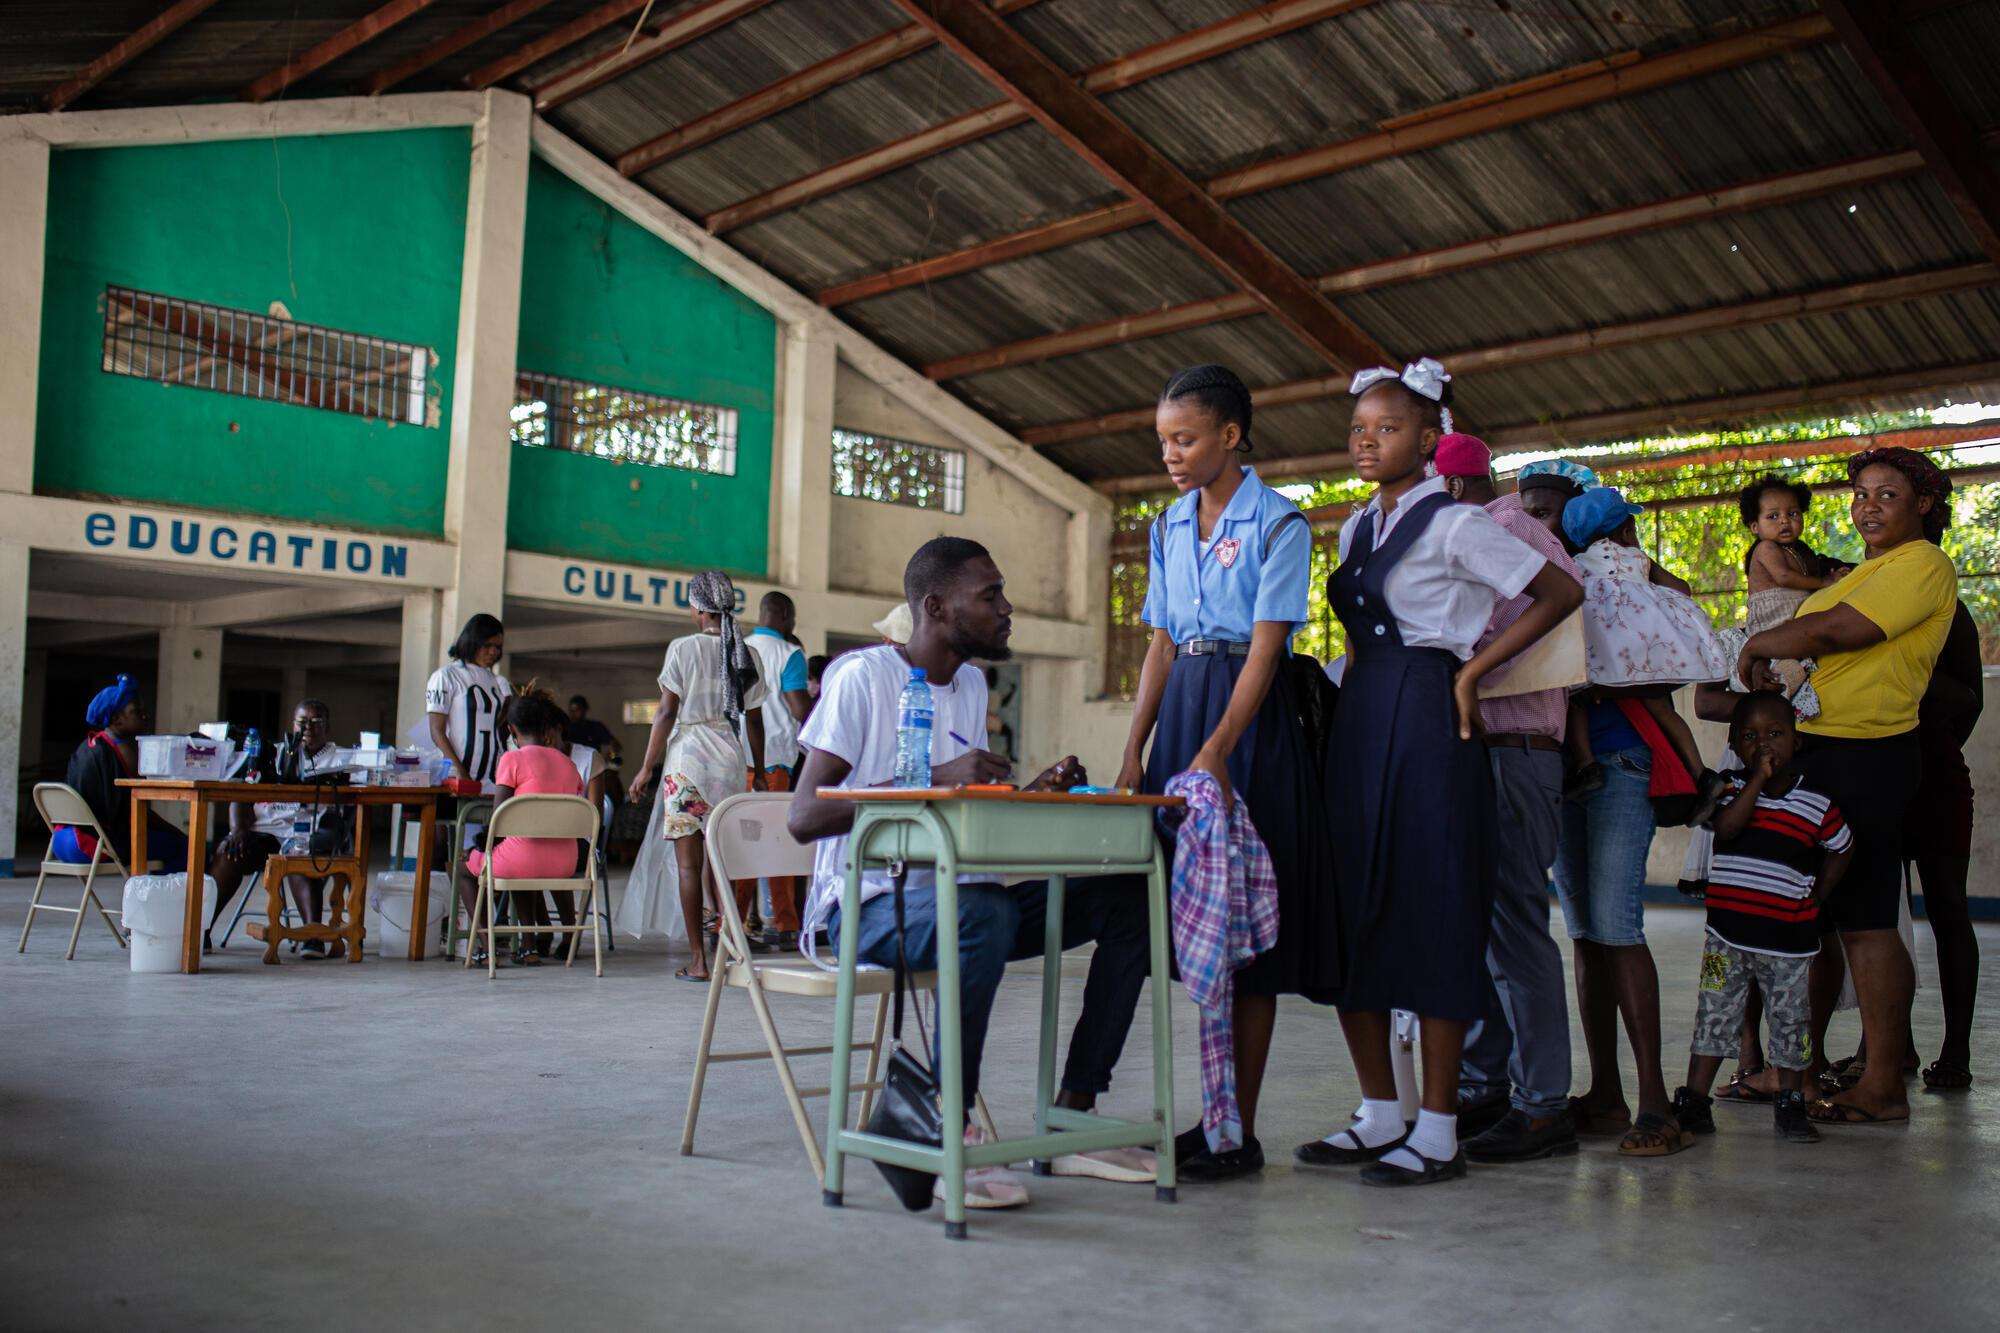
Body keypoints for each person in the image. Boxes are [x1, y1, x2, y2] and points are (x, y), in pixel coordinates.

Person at [790, 537, 1155, 1209]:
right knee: (981, 913)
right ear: (935, 606)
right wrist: (939, 778)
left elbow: (961, 814)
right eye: (990, 596)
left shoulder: (969, 683)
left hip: (960, 899)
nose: (1007, 608)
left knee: (1124, 899)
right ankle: (947, 1119)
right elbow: (805, 815)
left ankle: (1071, 1116)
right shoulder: (861, 677)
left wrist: (1031, 794)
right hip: (866, 907)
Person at [1311, 359, 1581, 1187]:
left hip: (1434, 712)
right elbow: (1359, 639)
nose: (1366, 441)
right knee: (1352, 904)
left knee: (1435, 907)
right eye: (1358, 429)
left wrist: (1472, 673)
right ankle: (1377, 1113)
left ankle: (1437, 1129)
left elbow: (1558, 592)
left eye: (1386, 428)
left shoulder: (1458, 525)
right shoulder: (1359, 527)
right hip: (1362, 716)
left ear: (1429, 440)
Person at [1111, 363, 1340, 1184]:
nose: (1171, 454)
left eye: (1186, 438)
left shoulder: (1281, 524)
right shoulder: (1167, 524)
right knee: (1188, 922)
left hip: (1251, 720)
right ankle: (1210, 1118)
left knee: (1245, 935)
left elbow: (1269, 646)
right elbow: (1163, 643)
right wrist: (1140, 744)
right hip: (1184, 712)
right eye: (1164, 440)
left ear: (1230, 435)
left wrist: (1220, 746)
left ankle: (1234, 1131)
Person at [1739, 447, 1958, 1125]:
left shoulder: (1924, 565)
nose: (1867, 506)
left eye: (1886, 495)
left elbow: (1842, 631)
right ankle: (1795, 1067)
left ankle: (1884, 1082)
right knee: (1812, 920)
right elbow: (1813, 635)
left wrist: (1757, 647)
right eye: (1861, 494)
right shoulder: (1859, 572)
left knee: (1865, 920)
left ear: (1921, 504)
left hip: (1868, 751)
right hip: (1821, 749)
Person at [1433, 436, 1585, 1164]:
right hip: (1483, 746)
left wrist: (1463, 671)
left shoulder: (1504, 528)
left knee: (1515, 925)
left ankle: (1542, 1104)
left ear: (1454, 485)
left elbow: (1510, 623)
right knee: (1479, 926)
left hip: (1513, 746)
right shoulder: (1482, 528)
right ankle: (1485, 1084)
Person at [1672, 692, 1852, 1146]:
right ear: (1735, 743)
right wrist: (1756, 782)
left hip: (1788, 942)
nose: (1763, 745)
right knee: (1713, 1015)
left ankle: (1790, 1104)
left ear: (1795, 740)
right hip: (1724, 938)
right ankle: (1695, 1103)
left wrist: (1817, 897)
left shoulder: (1815, 804)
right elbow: (1728, 828)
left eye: (1775, 734)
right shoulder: (1730, 790)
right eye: (1750, 737)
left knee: (1791, 1022)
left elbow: (1842, 847)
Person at [624, 571, 768, 981]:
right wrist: (756, 770)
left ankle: (699, 960)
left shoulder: (683, 648)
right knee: (725, 862)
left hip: (687, 762)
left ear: (698, 608)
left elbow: (666, 713)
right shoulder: (748, 653)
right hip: (730, 762)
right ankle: (732, 953)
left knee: (690, 866)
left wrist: (646, 767)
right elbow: (754, 720)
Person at [1560, 485, 1730, 815]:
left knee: (1575, 698)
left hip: (1603, 662)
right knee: (1665, 711)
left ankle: (1585, 764)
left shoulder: (1575, 565)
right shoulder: (1638, 559)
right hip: (1644, 659)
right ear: (1627, 531)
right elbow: (1682, 589)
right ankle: (1701, 774)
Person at [1906, 599, 1982, 1090]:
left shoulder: (1943, 604)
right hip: (1874, 772)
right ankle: (1887, 1046)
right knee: (1875, 918)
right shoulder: (1856, 585)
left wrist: (1907, 678)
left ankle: (1956, 1052)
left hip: (1933, 774)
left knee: (1948, 906)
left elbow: (1969, 699)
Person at [211, 699, 351, 957]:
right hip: (264, 831)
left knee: (296, 856)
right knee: (227, 852)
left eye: (316, 721)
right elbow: (241, 790)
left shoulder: (340, 759)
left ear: (327, 727)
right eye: (302, 721)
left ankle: (314, 937)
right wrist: (237, 829)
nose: (308, 727)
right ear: (293, 724)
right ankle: (203, 930)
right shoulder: (272, 752)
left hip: (307, 833)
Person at [456, 693, 585, 967]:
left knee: (461, 868)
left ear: (512, 729)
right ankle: (528, 947)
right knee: (517, 857)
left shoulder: (512, 759)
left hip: (522, 859)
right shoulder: (569, 764)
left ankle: (484, 945)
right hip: (564, 863)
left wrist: (479, 847)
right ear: (546, 727)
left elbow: (499, 819)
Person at [51, 675, 188, 875]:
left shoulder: (89, 745)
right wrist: (177, 832)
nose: (144, 715)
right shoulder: (123, 752)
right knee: (182, 846)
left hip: (62, 841)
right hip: (90, 844)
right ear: (116, 719)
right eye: (136, 711)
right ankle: (161, 905)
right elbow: (138, 812)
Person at [737, 591, 812, 946]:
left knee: (741, 846)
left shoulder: (737, 648)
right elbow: (799, 708)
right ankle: (783, 925)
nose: (793, 625)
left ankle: (731, 925)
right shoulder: (789, 653)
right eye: (793, 618)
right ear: (782, 615)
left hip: (737, 763)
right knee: (777, 844)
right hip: (774, 763)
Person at [1738, 474, 1845, 715]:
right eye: (1773, 516)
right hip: (1773, 624)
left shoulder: (1800, 551)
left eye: (1793, 514)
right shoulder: (1766, 548)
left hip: (1792, 622)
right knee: (1792, 670)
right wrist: (1824, 583)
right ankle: (1773, 708)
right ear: (1755, 526)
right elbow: (1784, 577)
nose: (1784, 521)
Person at [427, 614, 513, 786]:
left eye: (497, 647)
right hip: (456, 776)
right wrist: (460, 772)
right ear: (472, 641)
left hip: (492, 777)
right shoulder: (446, 676)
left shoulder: (496, 681)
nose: (493, 652)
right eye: (487, 645)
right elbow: (437, 731)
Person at [565, 695, 619, 762]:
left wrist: (606, 760)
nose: (573, 714)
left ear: (584, 710)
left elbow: (615, 745)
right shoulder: (566, 728)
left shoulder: (595, 727)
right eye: (571, 711)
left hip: (593, 768)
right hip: (572, 767)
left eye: (577, 710)